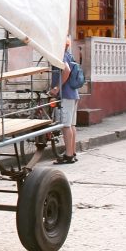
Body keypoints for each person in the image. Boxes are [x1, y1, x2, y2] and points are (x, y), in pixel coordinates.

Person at [49, 36, 79, 164]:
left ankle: (68, 155)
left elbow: (66, 70)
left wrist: (56, 88)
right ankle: (72, 152)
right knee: (71, 125)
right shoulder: (69, 55)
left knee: (66, 126)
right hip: (73, 94)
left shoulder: (61, 56)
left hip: (66, 95)